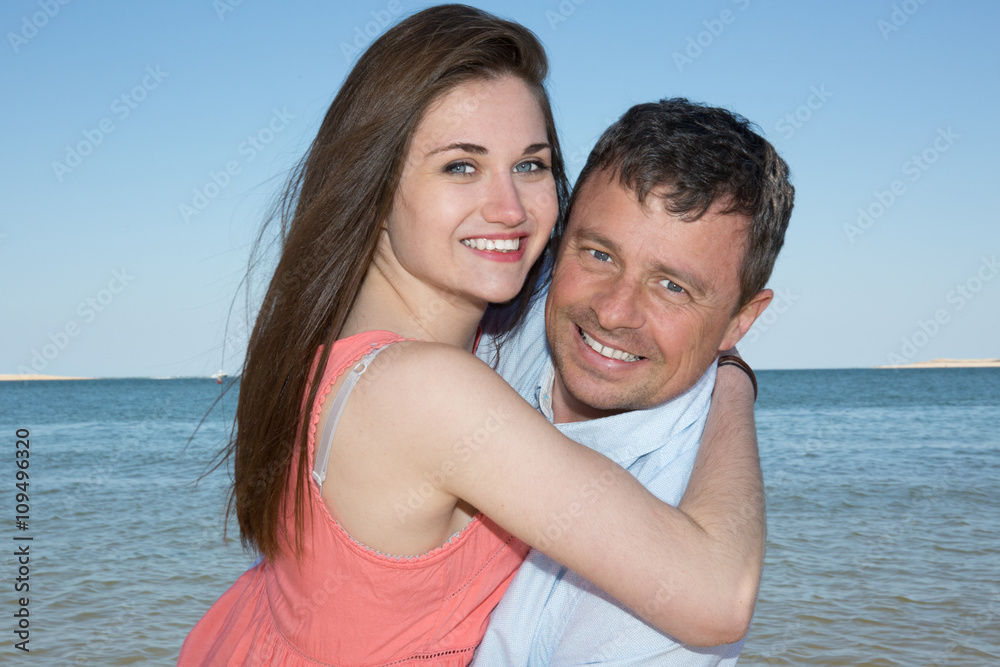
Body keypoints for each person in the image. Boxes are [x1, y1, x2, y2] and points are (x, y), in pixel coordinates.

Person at [181, 6, 766, 665]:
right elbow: (718, 596)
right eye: (461, 166)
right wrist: (734, 378)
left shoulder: (340, 337)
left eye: (531, 166)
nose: (510, 209)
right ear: (373, 184)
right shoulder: (427, 390)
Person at [472, 98, 794, 665]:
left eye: (673, 287)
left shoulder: (667, 611)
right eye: (599, 253)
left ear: (740, 321)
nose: (616, 311)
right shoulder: (506, 299)